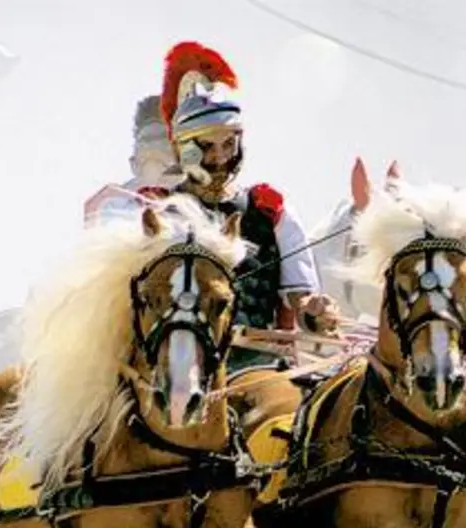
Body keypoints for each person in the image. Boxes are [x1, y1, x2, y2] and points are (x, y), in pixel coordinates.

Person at [100, 42, 340, 373]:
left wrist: (315, 310)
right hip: (170, 371)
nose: (221, 156)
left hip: (260, 374)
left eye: (229, 144)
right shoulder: (154, 210)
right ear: (184, 149)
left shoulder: (271, 211)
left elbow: (300, 300)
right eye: (208, 146)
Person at [82, 94, 180, 227]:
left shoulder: (203, 205)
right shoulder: (112, 208)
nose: (153, 148)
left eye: (161, 140)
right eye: (146, 141)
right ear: (134, 164)